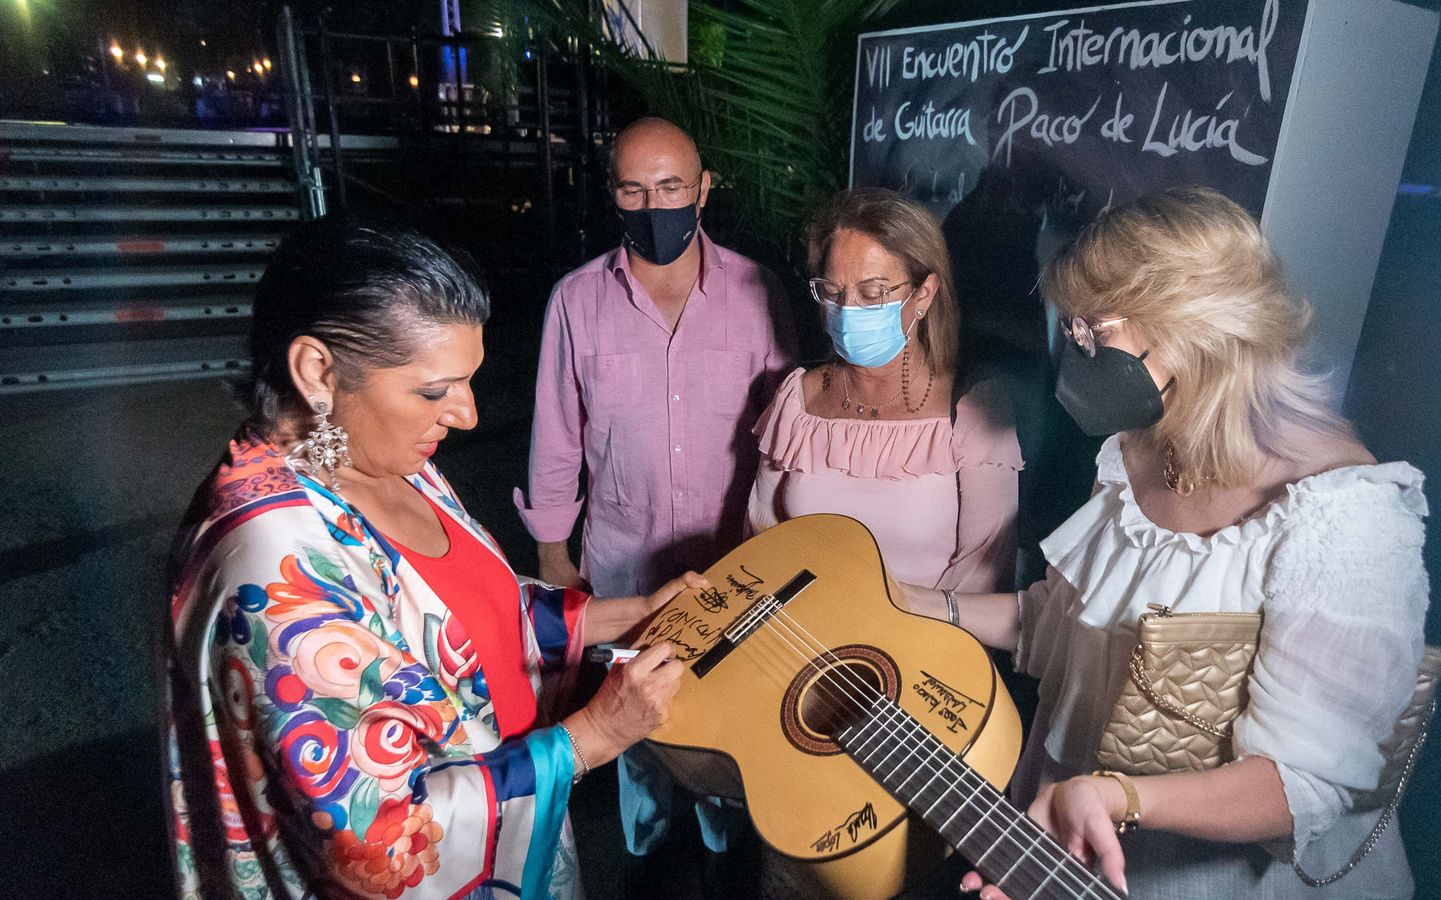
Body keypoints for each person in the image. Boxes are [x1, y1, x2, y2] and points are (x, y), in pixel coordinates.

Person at [904, 187, 1430, 899]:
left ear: (1191, 328)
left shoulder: (1347, 515)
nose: (1076, 351)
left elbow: (1303, 783)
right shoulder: (1132, 450)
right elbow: (1063, 627)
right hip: (1075, 834)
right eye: (1073, 328)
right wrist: (909, 603)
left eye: (1096, 332)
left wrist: (1119, 798)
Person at [164, 220, 700, 899]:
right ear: (318, 371)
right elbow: (380, 845)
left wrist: (626, 616)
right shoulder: (270, 571)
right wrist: (593, 736)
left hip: (511, 816)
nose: (469, 415)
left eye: (468, 383)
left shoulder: (377, 456)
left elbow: (458, 621)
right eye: (435, 390)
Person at [516, 118, 794, 878]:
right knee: (636, 724)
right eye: (634, 189)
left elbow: (786, 436)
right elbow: (556, 436)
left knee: (724, 718)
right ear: (612, 195)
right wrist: (553, 558)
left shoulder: (756, 292)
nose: (653, 205)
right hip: (621, 567)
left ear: (703, 189)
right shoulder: (576, 300)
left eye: (671, 186)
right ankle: (646, 854)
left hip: (729, 563)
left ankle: (724, 844)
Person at [746, 187, 1022, 594]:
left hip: (925, 649)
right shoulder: (797, 399)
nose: (849, 309)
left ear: (924, 294)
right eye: (833, 292)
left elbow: (982, 574)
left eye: (873, 293)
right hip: (801, 641)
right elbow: (761, 539)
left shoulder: (973, 408)